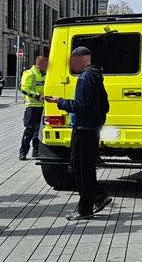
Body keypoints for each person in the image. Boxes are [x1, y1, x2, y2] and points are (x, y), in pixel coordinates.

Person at [44, 46, 112, 221]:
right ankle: (97, 198)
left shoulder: (85, 78)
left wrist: (59, 101)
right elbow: (105, 104)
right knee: (81, 167)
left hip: (83, 129)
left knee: (82, 170)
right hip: (91, 128)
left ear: (83, 59)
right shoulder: (96, 76)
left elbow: (79, 106)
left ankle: (85, 209)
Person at [19, 56, 48, 160]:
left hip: (43, 106)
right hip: (32, 106)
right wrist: (38, 96)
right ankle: (23, 152)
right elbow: (24, 89)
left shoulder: (46, 75)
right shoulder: (29, 73)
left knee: (38, 130)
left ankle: (36, 152)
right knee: (30, 129)